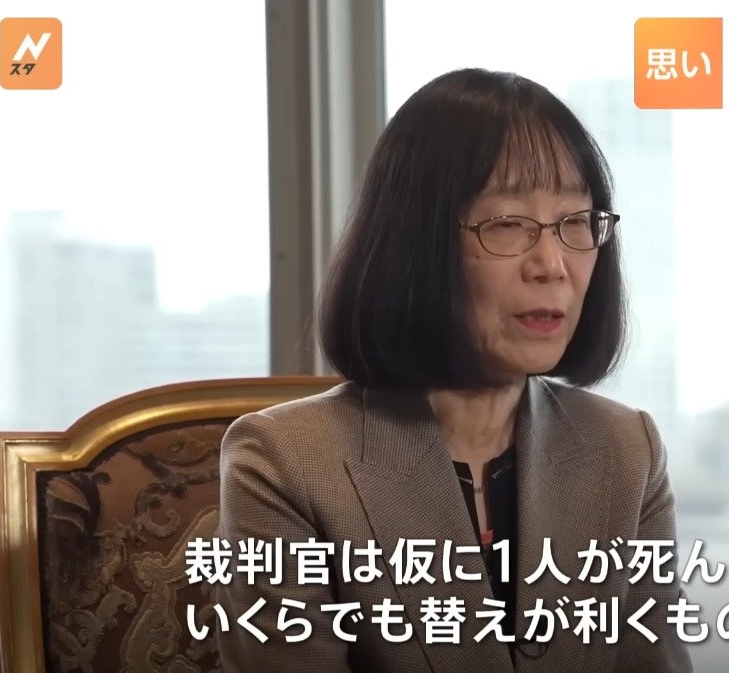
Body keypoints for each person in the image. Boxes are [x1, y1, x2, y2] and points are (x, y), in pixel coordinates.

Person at [214, 68, 692, 672]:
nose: (552, 265)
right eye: (509, 224)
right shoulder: (285, 462)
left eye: (575, 222)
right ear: (416, 247)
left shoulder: (626, 451)